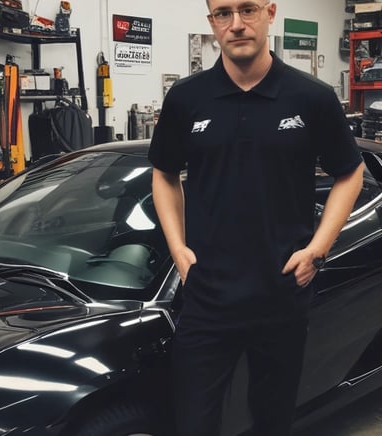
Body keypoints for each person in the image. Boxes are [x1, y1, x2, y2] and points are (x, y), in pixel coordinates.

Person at [148, 1, 364, 435]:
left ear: (270, 12)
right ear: (212, 22)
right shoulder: (187, 98)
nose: (236, 24)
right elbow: (164, 173)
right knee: (192, 424)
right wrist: (178, 248)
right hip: (207, 296)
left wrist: (318, 249)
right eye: (223, 13)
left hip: (281, 293)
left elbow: (350, 172)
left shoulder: (311, 97)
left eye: (247, 10)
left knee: (272, 421)